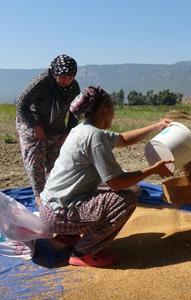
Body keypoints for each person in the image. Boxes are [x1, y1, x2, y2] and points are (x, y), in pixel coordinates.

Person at [39, 86, 173, 267]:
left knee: (111, 188)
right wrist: (153, 169)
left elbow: (123, 139)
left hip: (49, 209)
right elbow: (116, 183)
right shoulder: (94, 136)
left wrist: (157, 126)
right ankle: (82, 252)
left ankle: (68, 236)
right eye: (112, 107)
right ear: (105, 108)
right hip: (59, 214)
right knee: (126, 199)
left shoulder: (82, 129)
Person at [16, 54, 80, 207]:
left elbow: (75, 113)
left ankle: (54, 193)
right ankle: (39, 198)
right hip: (32, 123)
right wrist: (35, 126)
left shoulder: (74, 87)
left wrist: (67, 133)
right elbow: (21, 104)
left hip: (56, 127)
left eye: (70, 77)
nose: (66, 81)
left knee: (57, 161)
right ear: (55, 73)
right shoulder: (42, 81)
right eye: (63, 77)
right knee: (36, 160)